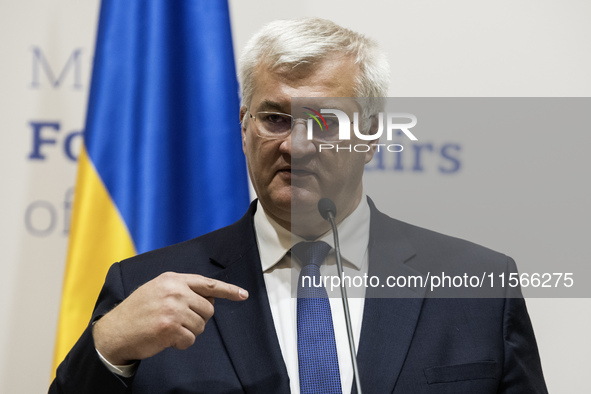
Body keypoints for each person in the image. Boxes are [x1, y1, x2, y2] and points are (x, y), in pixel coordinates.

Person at [50, 18, 547, 393]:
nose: (297, 145)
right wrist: (106, 350)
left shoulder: (480, 286)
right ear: (243, 127)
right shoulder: (144, 286)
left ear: (371, 136)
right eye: (274, 118)